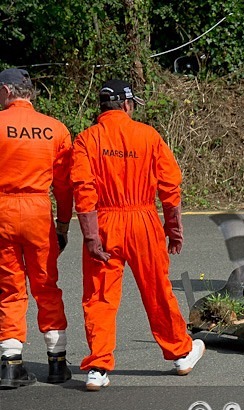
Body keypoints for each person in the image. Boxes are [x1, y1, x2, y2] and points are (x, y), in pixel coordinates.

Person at [70, 79, 204, 391]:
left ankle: (99, 367)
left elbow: (83, 190)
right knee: (157, 290)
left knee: (99, 296)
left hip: (104, 220)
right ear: (127, 105)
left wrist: (90, 237)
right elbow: (170, 187)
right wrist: (174, 229)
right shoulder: (148, 136)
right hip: (143, 220)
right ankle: (181, 353)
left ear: (102, 107)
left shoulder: (87, 140)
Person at [0, 68, 73, 389]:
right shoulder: (55, 129)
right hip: (38, 212)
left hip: (2, 212)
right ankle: (57, 362)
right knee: (46, 286)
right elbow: (65, 186)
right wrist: (63, 224)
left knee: (9, 288)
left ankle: (10, 362)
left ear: (6, 91)